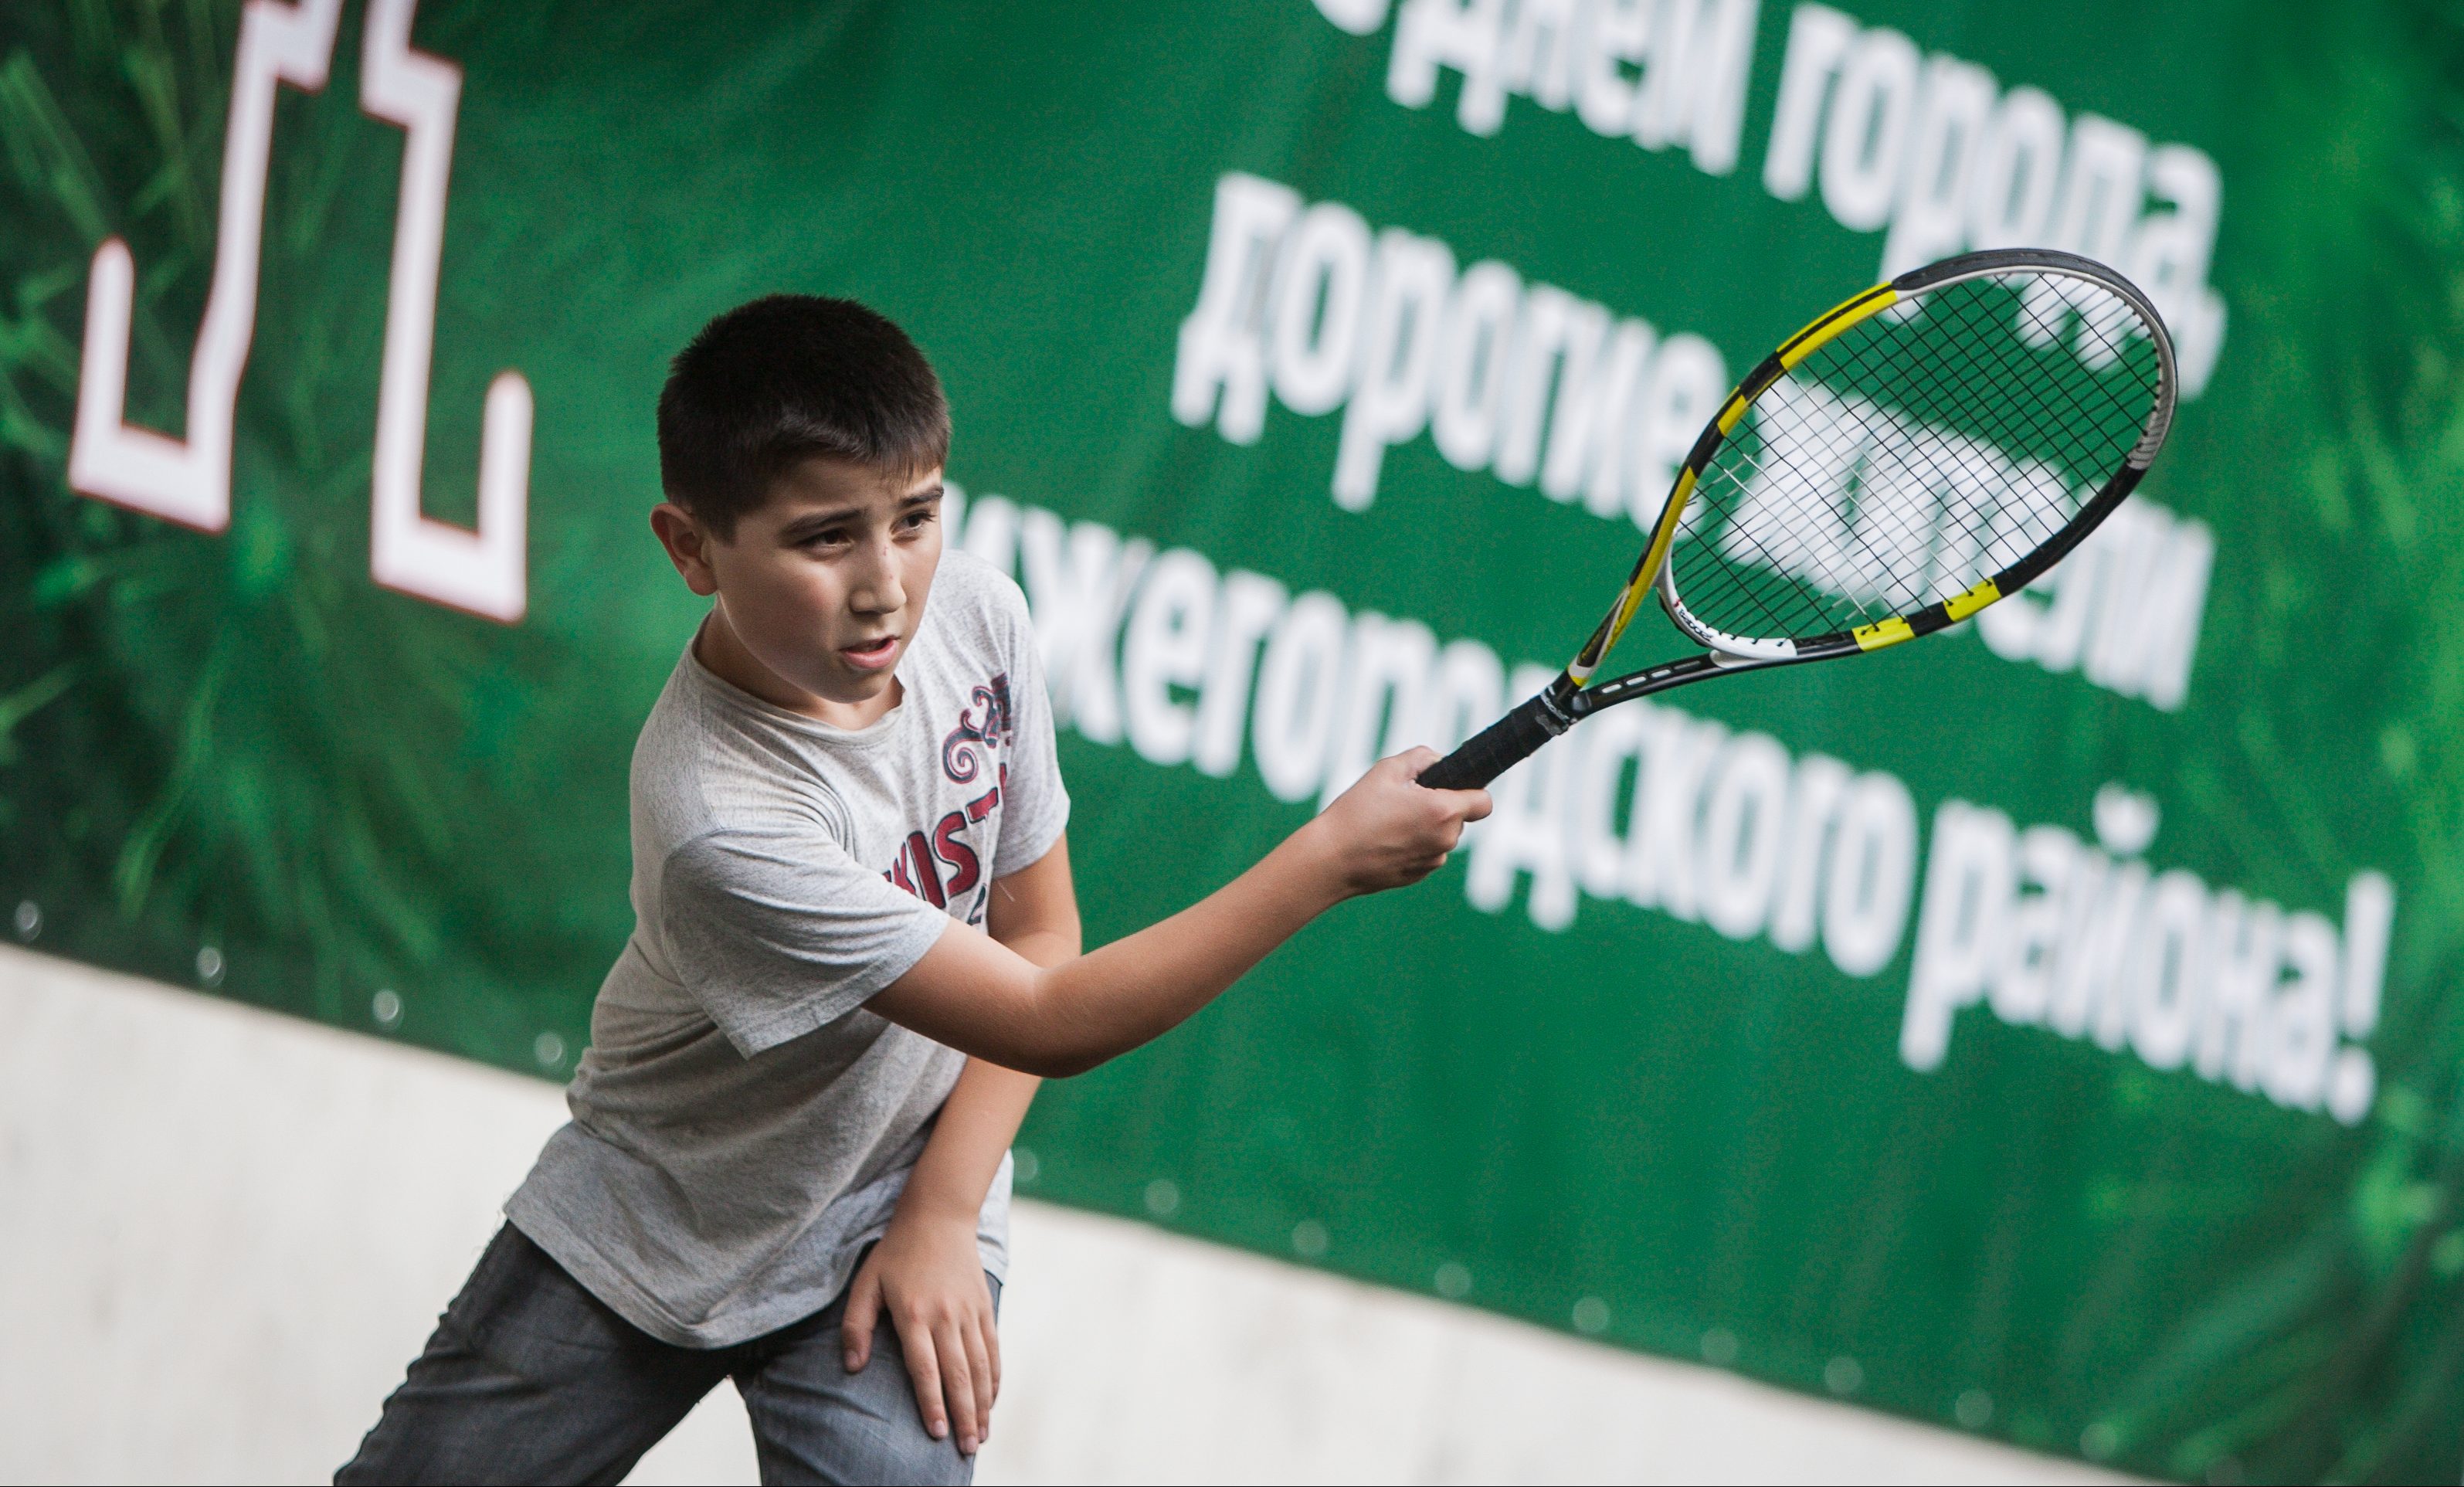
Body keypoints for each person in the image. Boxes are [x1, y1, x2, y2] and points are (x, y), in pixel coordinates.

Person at [338, 294, 1489, 1485]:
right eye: (826, 537)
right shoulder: (719, 820)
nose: (887, 584)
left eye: (917, 516)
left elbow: (1042, 930)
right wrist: (1324, 860)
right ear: (690, 548)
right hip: (656, 1218)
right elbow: (1053, 1016)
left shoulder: (979, 619)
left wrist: (942, 1207)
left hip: (899, 1200)